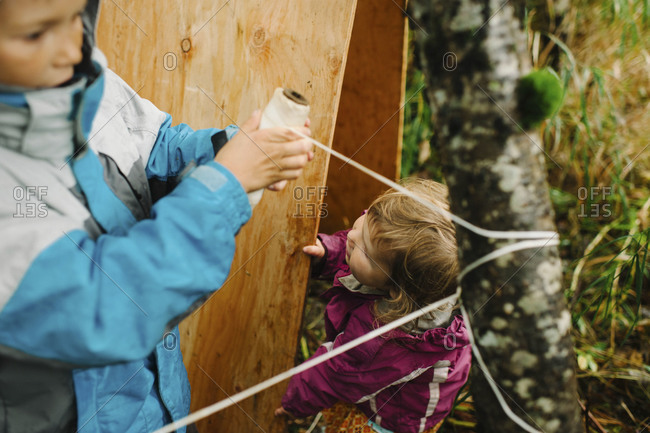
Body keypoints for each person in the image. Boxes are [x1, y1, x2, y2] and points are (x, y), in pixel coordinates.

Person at [0, 0, 313, 432]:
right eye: (36, 33)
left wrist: (225, 149)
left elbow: (156, 147)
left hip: (150, 405)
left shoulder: (88, 81)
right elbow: (108, 305)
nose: (73, 48)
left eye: (77, 17)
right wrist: (226, 184)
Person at [275, 179, 472, 433]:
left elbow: (335, 374)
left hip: (391, 419)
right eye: (368, 218)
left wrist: (292, 402)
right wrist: (328, 253)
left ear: (396, 292)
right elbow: (358, 250)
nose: (353, 234)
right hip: (383, 379)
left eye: (365, 250)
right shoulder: (400, 270)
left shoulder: (385, 339)